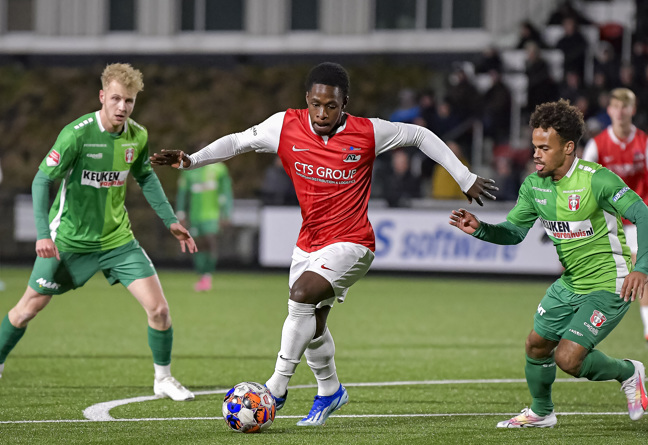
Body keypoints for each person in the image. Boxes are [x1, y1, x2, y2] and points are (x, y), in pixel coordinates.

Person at [151, 62, 498, 425]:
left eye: (331, 106)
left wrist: (463, 176)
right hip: (308, 243)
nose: (322, 113)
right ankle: (330, 390)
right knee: (312, 324)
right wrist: (191, 161)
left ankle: (275, 388)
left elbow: (420, 135)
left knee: (301, 295)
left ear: (344, 103)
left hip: (353, 242)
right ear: (307, 99)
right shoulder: (285, 126)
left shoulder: (368, 132)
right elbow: (238, 141)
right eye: (315, 104)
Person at [0, 63, 196, 401]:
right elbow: (42, 180)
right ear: (102, 96)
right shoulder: (76, 134)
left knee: (160, 310)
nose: (122, 107)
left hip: (117, 241)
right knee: (28, 308)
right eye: (116, 99)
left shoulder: (138, 136)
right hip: (68, 240)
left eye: (129, 101)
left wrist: (170, 220)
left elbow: (145, 176)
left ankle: (163, 379)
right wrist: (43, 234)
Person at [449, 99, 648, 428]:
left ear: (568, 148)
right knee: (537, 344)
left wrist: (642, 268)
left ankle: (629, 371)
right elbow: (515, 233)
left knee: (568, 358)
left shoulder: (597, 180)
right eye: (534, 147)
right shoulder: (533, 186)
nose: (536, 154)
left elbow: (642, 213)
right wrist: (481, 228)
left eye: (544, 148)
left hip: (609, 282)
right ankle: (541, 412)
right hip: (570, 283)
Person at [582, 88, 648, 340]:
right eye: (616, 107)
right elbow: (584, 182)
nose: (620, 112)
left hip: (637, 216)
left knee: (641, 267)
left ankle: (647, 326)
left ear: (633, 109)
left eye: (625, 107)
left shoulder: (644, 143)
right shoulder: (597, 145)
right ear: (609, 110)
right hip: (608, 219)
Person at [176, 161, 233, 291]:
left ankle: (208, 274)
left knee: (210, 241)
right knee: (198, 245)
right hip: (195, 216)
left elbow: (226, 191)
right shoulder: (189, 171)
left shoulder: (219, 169)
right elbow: (183, 193)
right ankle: (202, 274)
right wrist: (180, 213)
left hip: (213, 215)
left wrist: (226, 213)